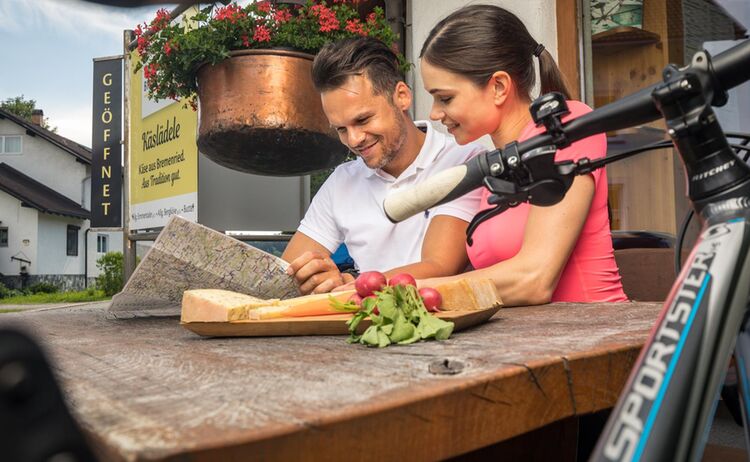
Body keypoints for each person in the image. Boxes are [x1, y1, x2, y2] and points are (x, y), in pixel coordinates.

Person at [417, 4, 627, 305]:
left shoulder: (566, 128)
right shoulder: (493, 170)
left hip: (593, 338)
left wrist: (417, 292)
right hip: (524, 344)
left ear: (499, 86)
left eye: (445, 98)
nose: (435, 113)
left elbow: (534, 279)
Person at [282, 37, 484, 295]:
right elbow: (286, 273)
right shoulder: (342, 181)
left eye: (363, 119)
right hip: (367, 326)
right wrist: (312, 276)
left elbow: (440, 266)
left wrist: (351, 285)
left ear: (401, 96)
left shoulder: (463, 160)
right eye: (341, 129)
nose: (354, 140)